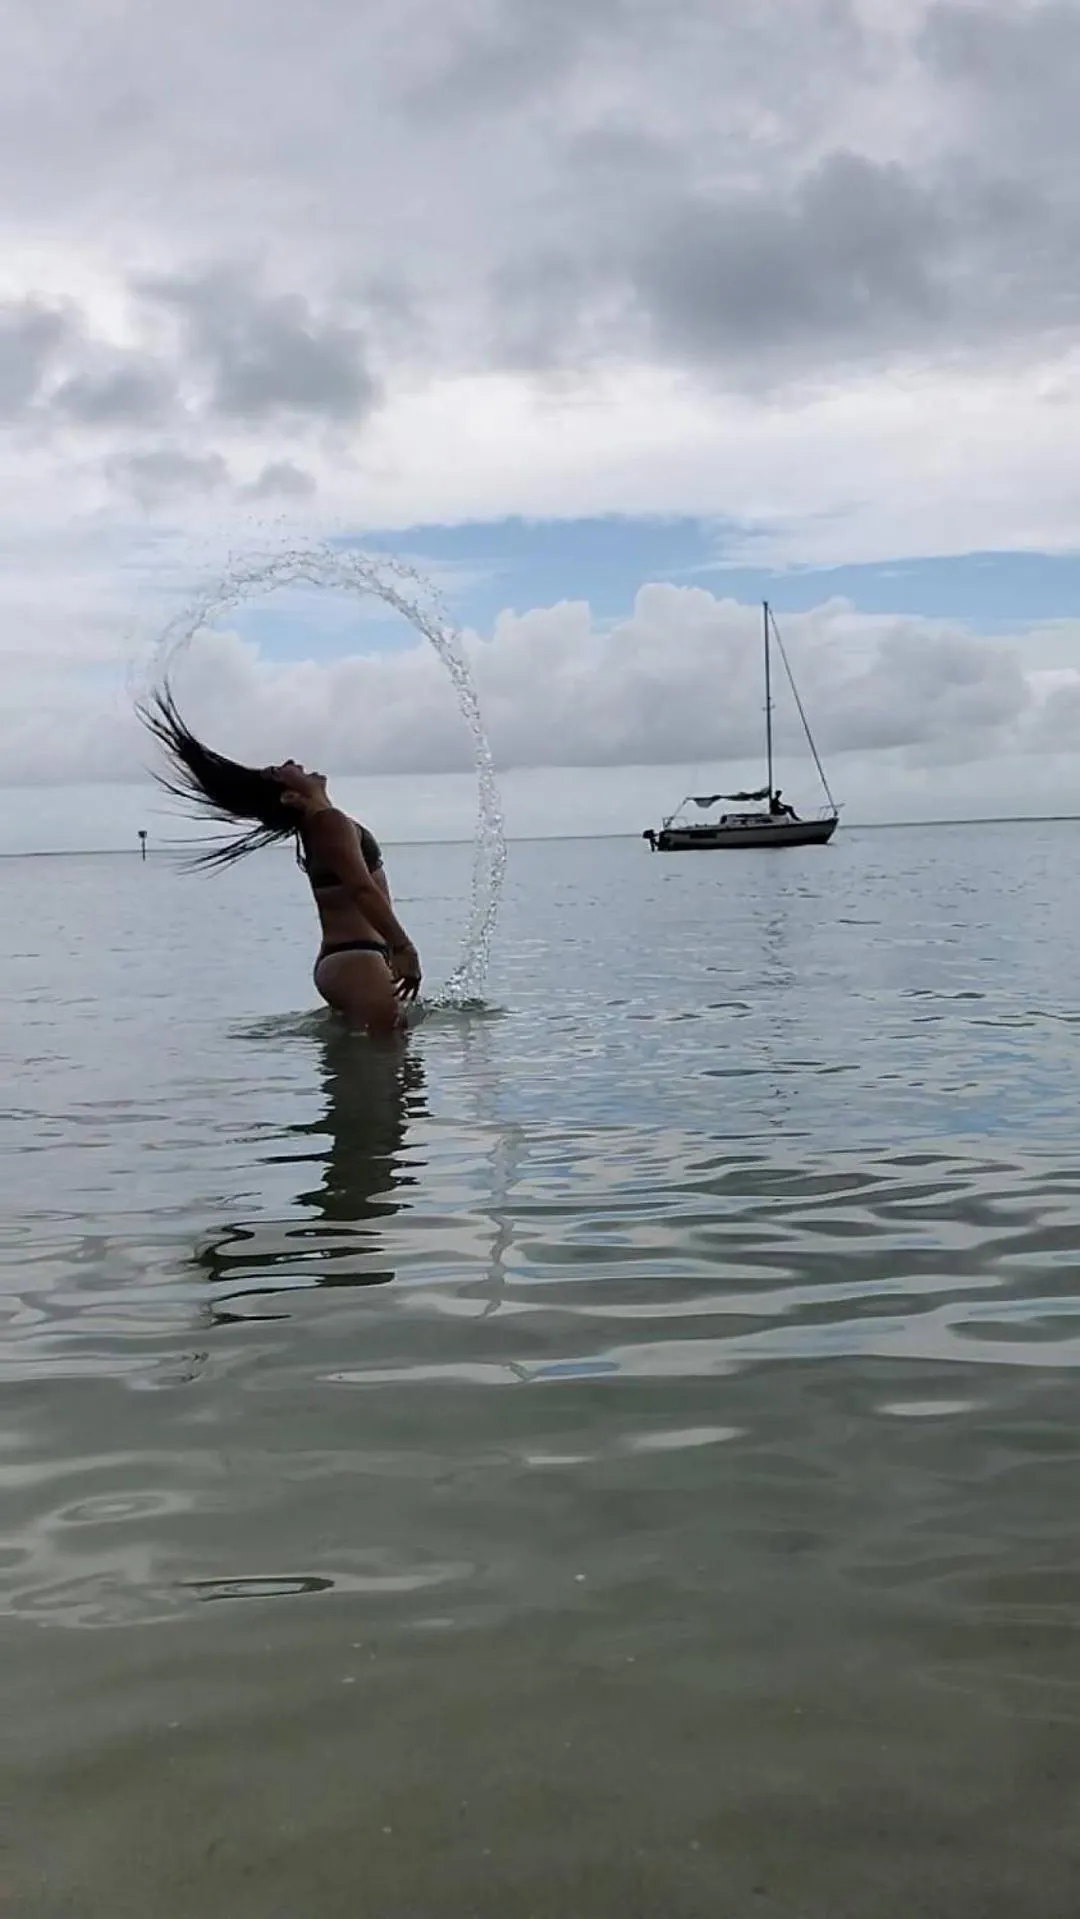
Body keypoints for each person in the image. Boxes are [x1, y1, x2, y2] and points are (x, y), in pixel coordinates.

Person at [140, 686, 421, 1037]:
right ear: (290, 795)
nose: (291, 763)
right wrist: (404, 947)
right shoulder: (328, 823)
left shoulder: (323, 826)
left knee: (374, 1070)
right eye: (279, 769)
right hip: (356, 958)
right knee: (384, 1065)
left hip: (354, 958)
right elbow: (362, 890)